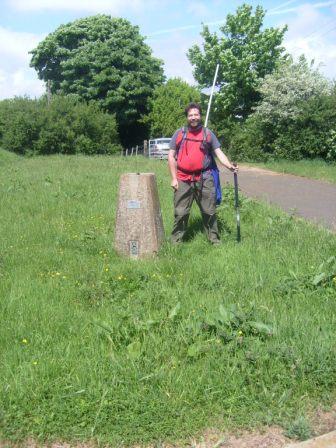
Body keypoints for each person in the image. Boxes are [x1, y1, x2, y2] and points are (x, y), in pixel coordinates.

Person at [168, 102, 238, 244]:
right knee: (181, 212)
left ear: (200, 116)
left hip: (205, 177)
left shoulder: (208, 134)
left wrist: (229, 166)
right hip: (183, 178)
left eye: (196, 114)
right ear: (187, 117)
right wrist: (174, 178)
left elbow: (219, 152)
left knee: (209, 211)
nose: (194, 117)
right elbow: (171, 156)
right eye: (191, 115)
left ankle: (214, 241)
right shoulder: (179, 133)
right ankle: (175, 242)